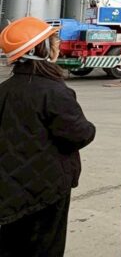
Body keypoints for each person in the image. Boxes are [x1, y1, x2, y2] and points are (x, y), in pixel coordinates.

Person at [0, 16, 96, 257]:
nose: (57, 46)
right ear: (39, 50)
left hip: (7, 193)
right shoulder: (54, 92)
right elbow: (80, 134)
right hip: (47, 192)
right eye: (52, 41)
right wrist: (91, 128)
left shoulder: (4, 90)